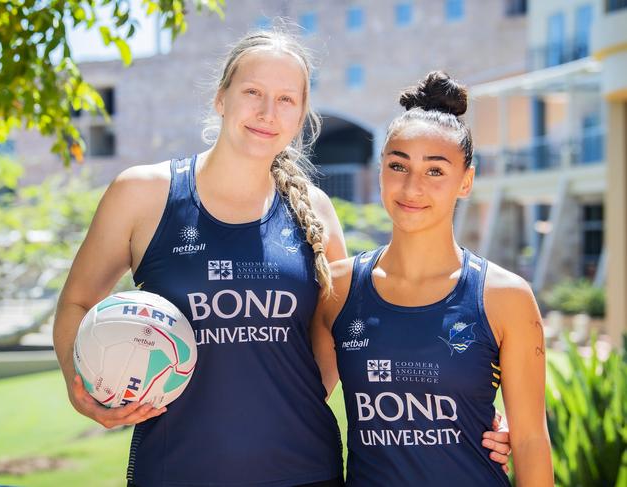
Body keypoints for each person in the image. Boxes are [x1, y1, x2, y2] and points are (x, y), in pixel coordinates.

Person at [53, 30, 511, 487]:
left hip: (306, 471)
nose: (267, 113)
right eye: (252, 92)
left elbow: (362, 337)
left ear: (300, 116)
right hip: (176, 469)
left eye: (286, 100)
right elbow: (76, 303)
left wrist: (476, 422)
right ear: (221, 97)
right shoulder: (142, 194)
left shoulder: (315, 210)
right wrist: (86, 389)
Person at [311, 71, 553, 486]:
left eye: (435, 171)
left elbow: (530, 441)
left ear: (466, 181)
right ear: (381, 170)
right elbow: (294, 408)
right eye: (398, 165)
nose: (412, 187)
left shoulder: (504, 296)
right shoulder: (337, 290)